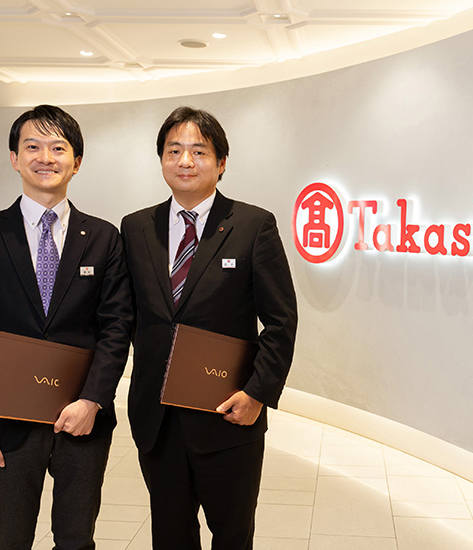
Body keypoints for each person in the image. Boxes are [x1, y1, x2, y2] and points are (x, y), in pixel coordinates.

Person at [0, 105, 132, 550]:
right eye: (33, 146)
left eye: (58, 148)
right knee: (8, 540)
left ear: (77, 161)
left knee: (76, 539)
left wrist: (92, 400)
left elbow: (116, 328)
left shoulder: (104, 237)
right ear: (14, 158)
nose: (45, 157)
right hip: (3, 423)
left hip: (80, 420)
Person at [120, 106, 297, 549]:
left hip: (228, 413)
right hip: (157, 417)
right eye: (173, 150)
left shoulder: (253, 225)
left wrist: (257, 394)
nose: (185, 161)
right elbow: (125, 318)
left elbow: (280, 320)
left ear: (221, 163)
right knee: (170, 535)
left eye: (199, 151)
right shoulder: (135, 227)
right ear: (161, 159)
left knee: (232, 535)